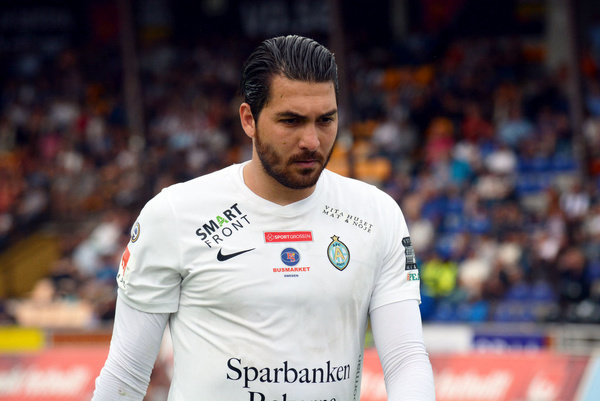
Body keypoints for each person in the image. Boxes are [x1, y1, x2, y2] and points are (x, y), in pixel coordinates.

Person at [92, 35, 435, 401]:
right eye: (291, 121)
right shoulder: (174, 215)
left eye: (325, 120)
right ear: (248, 120)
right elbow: (127, 373)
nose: (312, 141)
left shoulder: (376, 214)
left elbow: (406, 360)